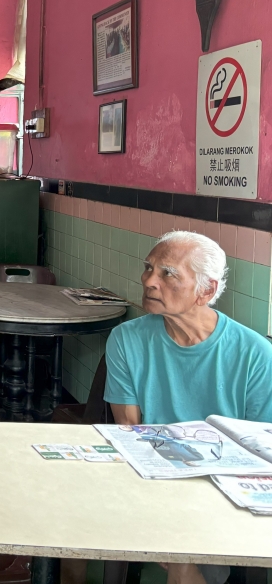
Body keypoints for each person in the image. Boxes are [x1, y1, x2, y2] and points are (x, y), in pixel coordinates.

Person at [62, 230, 272, 584]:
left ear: (206, 290)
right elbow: (128, 433)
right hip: (150, 475)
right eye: (148, 268)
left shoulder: (255, 355)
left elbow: (259, 449)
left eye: (167, 273)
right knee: (64, 523)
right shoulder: (127, 339)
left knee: (183, 559)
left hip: (219, 487)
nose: (149, 280)